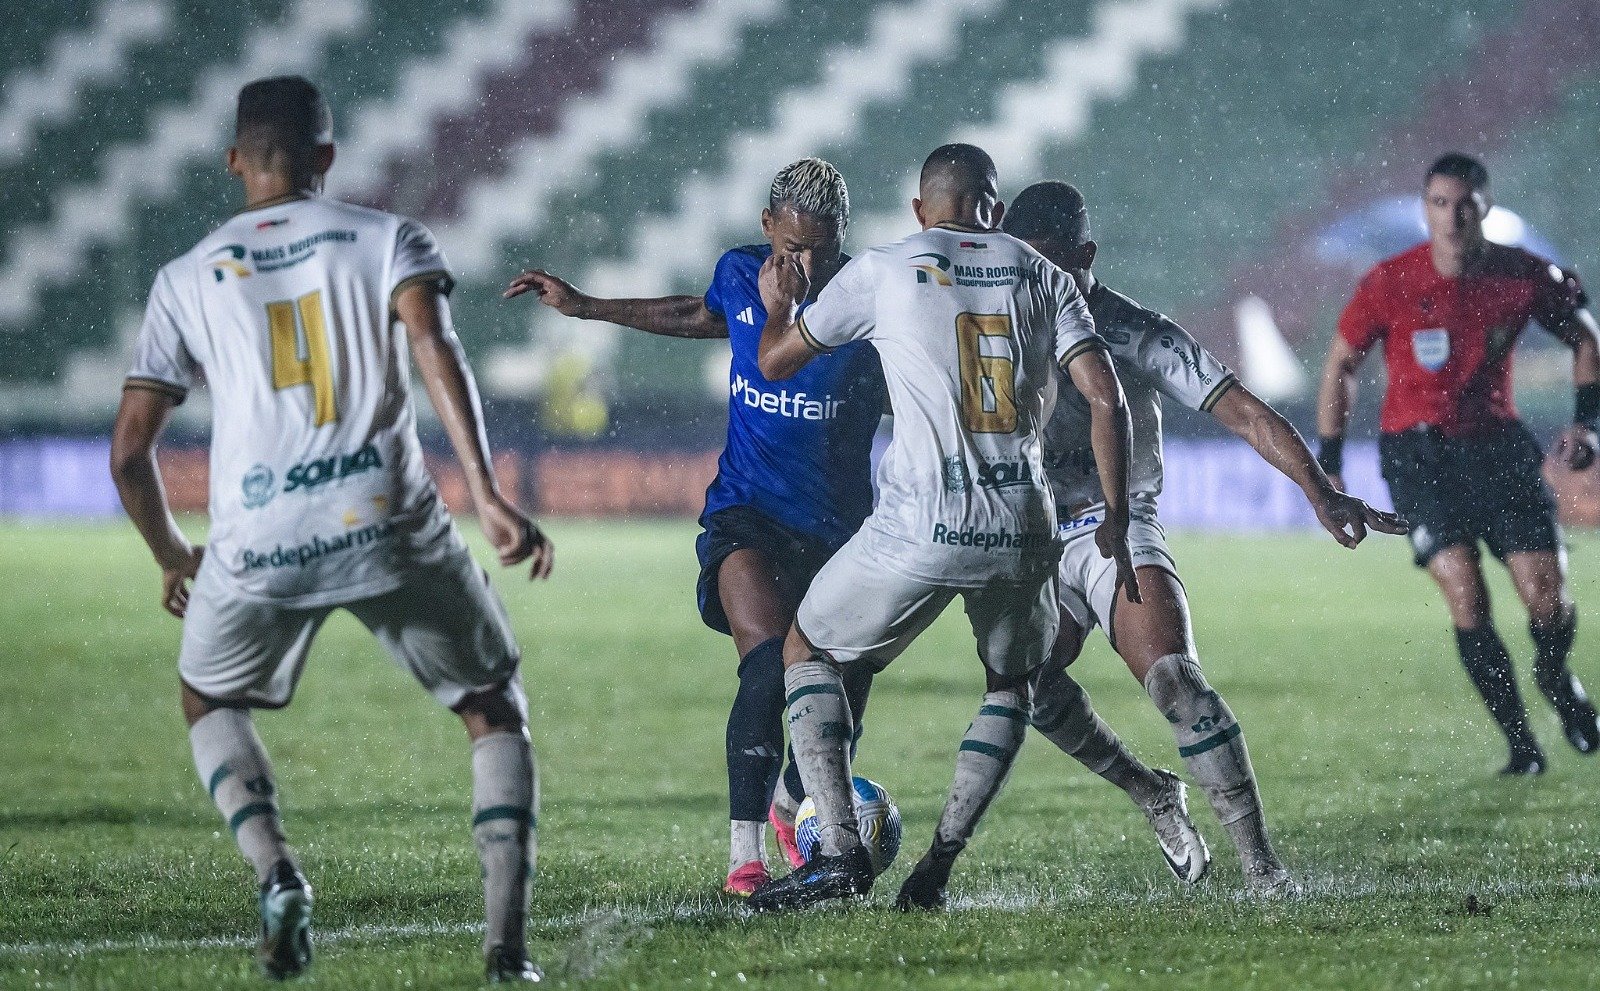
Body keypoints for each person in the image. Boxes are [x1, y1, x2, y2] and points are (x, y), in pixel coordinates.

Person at [109, 76, 552, 982]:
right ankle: (506, 950)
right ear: (326, 157)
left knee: (207, 699)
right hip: (386, 517)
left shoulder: (186, 276)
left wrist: (172, 554)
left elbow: (127, 453)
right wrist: (488, 494)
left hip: (258, 535)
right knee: (490, 704)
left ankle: (277, 871)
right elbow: (435, 349)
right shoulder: (386, 239)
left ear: (233, 161)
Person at [748, 144, 1138, 913]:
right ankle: (940, 861)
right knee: (1013, 684)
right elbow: (1106, 397)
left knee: (807, 648)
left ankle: (838, 850)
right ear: (995, 211)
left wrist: (779, 307)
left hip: (921, 520)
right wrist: (1119, 515)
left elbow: (776, 362)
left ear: (920, 209)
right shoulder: (1046, 275)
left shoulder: (886, 267)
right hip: (1024, 523)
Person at [1001, 181, 1405, 894]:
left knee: (1176, 682)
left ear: (1085, 256)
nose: (1034, 280)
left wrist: (1319, 489)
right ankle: (1151, 791)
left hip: (1113, 525)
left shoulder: (1133, 332)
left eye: (1049, 263)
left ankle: (1263, 869)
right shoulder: (994, 328)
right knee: (1021, 687)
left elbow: (1243, 411)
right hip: (1032, 536)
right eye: (1022, 263)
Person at [504, 159, 884, 896]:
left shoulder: (869, 303)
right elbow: (700, 315)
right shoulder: (741, 274)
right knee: (768, 667)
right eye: (792, 247)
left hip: (839, 533)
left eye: (823, 250)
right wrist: (586, 307)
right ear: (768, 226)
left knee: (841, 688)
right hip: (749, 515)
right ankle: (746, 858)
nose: (805, 266)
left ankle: (790, 805)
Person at [1317, 152, 1600, 775]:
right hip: (1419, 456)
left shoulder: (1523, 275)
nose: (1452, 217)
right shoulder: (1389, 281)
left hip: (1498, 448)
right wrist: (1330, 460)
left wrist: (1587, 424)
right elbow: (1341, 363)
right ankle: (1521, 745)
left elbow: (1585, 337)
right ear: (1426, 209)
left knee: (1546, 600)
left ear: (1485, 208)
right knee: (1465, 594)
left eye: (1464, 204)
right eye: (1440, 204)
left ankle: (1556, 678)